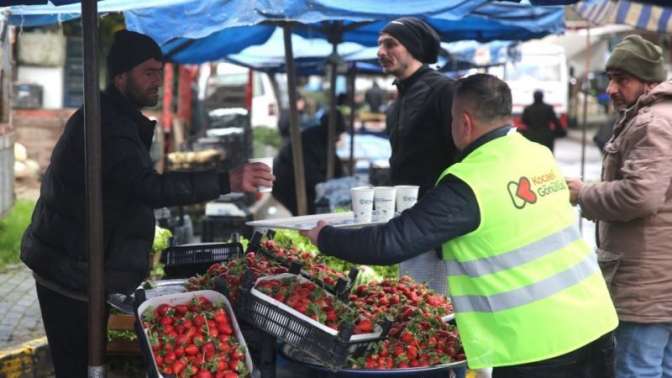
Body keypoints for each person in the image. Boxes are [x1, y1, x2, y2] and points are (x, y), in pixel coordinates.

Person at [305, 74, 618, 377]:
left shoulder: (470, 181)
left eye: (452, 119)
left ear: (464, 122)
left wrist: (325, 236)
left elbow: (391, 242)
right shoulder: (537, 154)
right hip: (594, 322)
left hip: (540, 347)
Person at [19, 30, 273, 378]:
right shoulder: (107, 125)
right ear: (122, 76)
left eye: (160, 72)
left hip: (80, 268)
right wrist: (226, 181)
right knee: (76, 367)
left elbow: (131, 188)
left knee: (84, 363)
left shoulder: (115, 117)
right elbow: (147, 187)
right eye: (149, 72)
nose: (158, 81)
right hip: (70, 271)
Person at [567, 35, 672, 378]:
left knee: (636, 369)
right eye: (610, 78)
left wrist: (584, 193)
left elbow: (640, 195)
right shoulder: (658, 116)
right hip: (660, 279)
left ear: (649, 81)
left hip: (647, 283)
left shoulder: (652, 123)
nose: (611, 88)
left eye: (622, 79)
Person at [378, 17, 457, 295]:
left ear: (413, 48)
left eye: (391, 44)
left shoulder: (443, 90)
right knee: (416, 302)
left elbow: (463, 153)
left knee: (436, 307)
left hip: (438, 225)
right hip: (409, 221)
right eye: (379, 45)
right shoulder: (398, 100)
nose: (381, 52)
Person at [273, 109, 345, 215]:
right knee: (309, 215)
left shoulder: (325, 139)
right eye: (338, 133)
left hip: (299, 182)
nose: (339, 138)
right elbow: (311, 174)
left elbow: (336, 165)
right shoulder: (313, 141)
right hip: (287, 183)